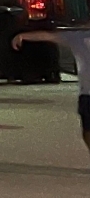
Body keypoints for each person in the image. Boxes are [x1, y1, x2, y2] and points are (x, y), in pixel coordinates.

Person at [11, 27, 90, 155]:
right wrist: (23, 36)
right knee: (87, 131)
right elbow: (48, 36)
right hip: (87, 93)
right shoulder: (78, 37)